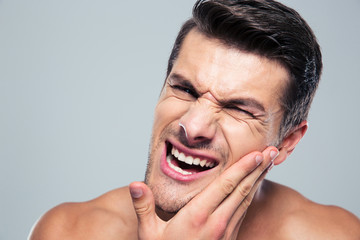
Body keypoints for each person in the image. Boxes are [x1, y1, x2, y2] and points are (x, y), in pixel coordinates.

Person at [29, 0, 360, 239]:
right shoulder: (68, 231)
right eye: (185, 89)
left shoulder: (336, 235)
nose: (193, 126)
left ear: (286, 142)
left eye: (239, 109)